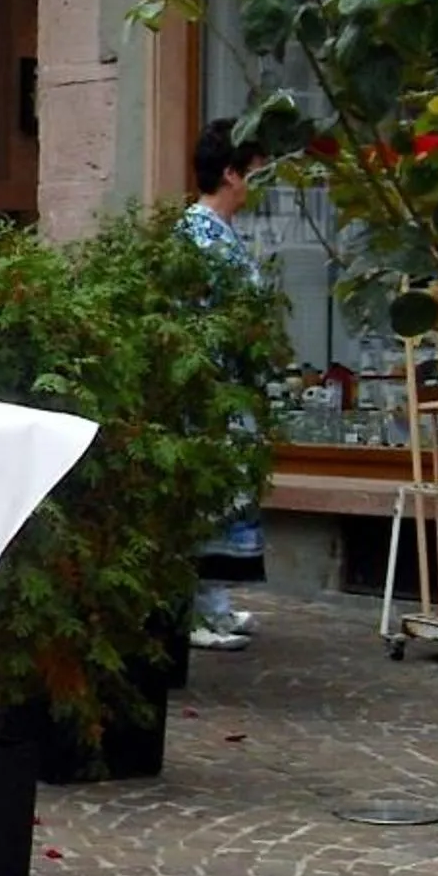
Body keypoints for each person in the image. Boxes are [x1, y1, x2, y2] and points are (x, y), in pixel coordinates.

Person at [181, 124, 270, 651]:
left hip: (229, 388)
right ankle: (196, 610)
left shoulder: (219, 232)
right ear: (230, 174)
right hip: (212, 390)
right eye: (252, 172)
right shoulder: (200, 235)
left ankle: (212, 604)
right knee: (207, 502)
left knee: (225, 500)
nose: (255, 184)